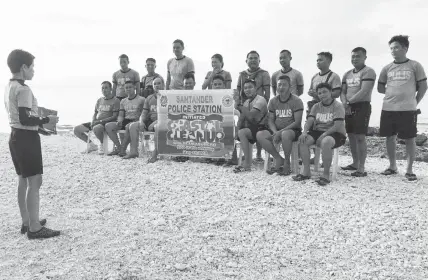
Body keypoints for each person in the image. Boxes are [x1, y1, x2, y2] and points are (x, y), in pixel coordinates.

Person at [4, 49, 60, 239]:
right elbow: (26, 118)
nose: (34, 71)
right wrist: (46, 120)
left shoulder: (9, 86)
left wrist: (39, 125)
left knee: (23, 180)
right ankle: (34, 228)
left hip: (15, 137)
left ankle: (27, 221)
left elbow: (18, 118)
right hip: (27, 139)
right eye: (32, 67)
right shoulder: (24, 89)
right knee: (35, 181)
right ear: (23, 67)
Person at [377, 35, 427, 181]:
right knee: (389, 137)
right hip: (388, 108)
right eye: (391, 48)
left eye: (397, 47)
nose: (393, 50)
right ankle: (392, 166)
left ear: (405, 48)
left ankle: (410, 169)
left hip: (407, 109)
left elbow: (423, 86)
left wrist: (415, 101)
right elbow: (380, 87)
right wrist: (393, 91)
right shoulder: (387, 68)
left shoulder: (415, 65)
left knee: (410, 138)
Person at [293, 83, 346, 186]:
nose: (322, 95)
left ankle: (326, 174)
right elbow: (310, 121)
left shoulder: (337, 106)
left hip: (336, 133)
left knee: (326, 142)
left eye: (325, 92)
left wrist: (323, 135)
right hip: (319, 131)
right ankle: (306, 171)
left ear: (331, 92)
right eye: (320, 93)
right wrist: (304, 132)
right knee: (302, 140)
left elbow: (337, 125)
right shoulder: (316, 106)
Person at [340, 47, 377, 177]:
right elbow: (342, 92)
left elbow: (364, 91)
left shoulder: (369, 71)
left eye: (358, 56)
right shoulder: (347, 74)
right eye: (353, 56)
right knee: (351, 136)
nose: (355, 58)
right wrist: (345, 103)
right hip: (348, 107)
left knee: (360, 137)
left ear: (364, 57)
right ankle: (355, 163)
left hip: (362, 106)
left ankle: (361, 168)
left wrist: (349, 102)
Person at [257, 75, 304, 175]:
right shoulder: (273, 101)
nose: (281, 87)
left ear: (290, 86)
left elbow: (297, 122)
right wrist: (275, 132)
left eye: (284, 85)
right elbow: (270, 120)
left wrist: (280, 132)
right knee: (260, 134)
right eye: (279, 85)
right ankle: (278, 159)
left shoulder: (296, 101)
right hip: (276, 130)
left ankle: (287, 162)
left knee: (285, 134)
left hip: (293, 130)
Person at [236, 50, 270, 162]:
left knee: (258, 126)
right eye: (251, 58)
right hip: (245, 104)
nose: (253, 60)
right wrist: (240, 105)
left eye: (255, 58)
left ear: (259, 60)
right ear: (246, 61)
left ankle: (259, 154)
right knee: (243, 128)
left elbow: (267, 92)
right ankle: (246, 155)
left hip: (258, 107)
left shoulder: (264, 73)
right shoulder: (242, 74)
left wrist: (263, 108)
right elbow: (239, 90)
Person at [73, 81, 120, 154]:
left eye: (106, 88)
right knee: (76, 129)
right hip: (96, 122)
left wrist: (100, 122)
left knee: (97, 128)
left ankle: (102, 144)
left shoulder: (115, 100)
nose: (104, 90)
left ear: (111, 89)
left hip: (106, 123)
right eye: (102, 88)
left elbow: (114, 116)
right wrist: (93, 120)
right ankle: (92, 145)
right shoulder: (99, 100)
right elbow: (95, 112)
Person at [233, 79, 268, 173]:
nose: (247, 90)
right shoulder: (246, 102)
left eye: (250, 87)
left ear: (255, 88)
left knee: (242, 132)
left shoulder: (261, 99)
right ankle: (246, 163)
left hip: (264, 128)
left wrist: (239, 105)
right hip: (253, 129)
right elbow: (241, 118)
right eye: (245, 88)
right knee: (240, 131)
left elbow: (251, 116)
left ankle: (247, 163)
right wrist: (236, 130)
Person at [126, 77, 164, 160]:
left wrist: (155, 123)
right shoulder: (149, 98)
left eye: (159, 83)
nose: (157, 85)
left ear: (163, 85)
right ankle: (134, 152)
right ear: (153, 86)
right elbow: (144, 113)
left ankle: (155, 155)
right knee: (133, 126)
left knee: (157, 126)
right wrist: (141, 121)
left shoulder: (167, 97)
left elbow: (168, 115)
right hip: (150, 121)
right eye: (155, 84)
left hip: (162, 122)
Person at [105, 81, 145, 156]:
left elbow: (144, 113)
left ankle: (123, 150)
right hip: (125, 120)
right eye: (126, 87)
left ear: (134, 87)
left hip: (136, 121)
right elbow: (121, 114)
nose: (128, 89)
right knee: (108, 126)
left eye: (130, 87)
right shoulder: (123, 101)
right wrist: (119, 121)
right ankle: (119, 147)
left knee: (128, 126)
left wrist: (140, 121)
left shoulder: (141, 99)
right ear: (124, 89)